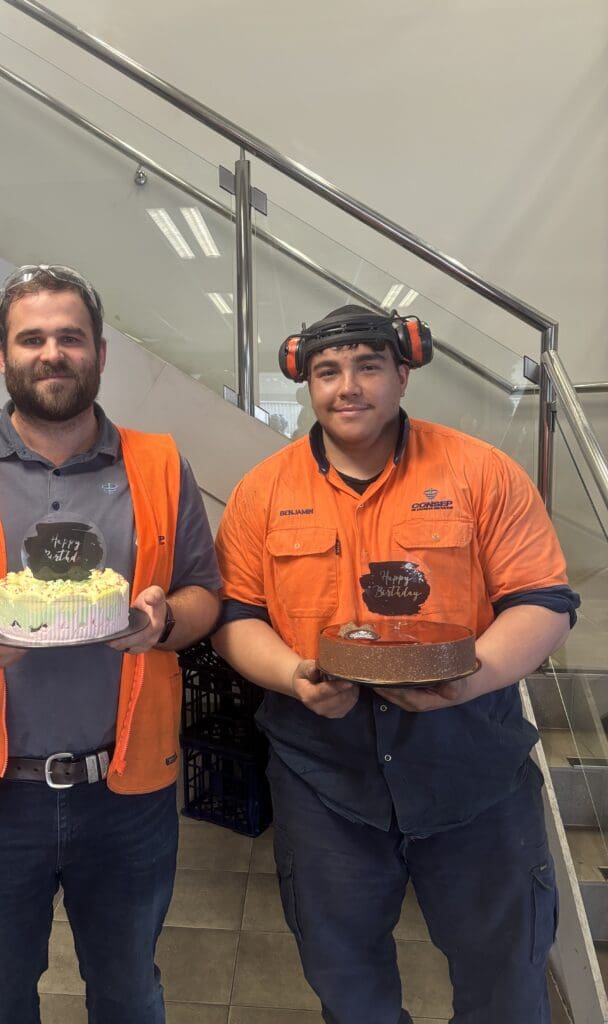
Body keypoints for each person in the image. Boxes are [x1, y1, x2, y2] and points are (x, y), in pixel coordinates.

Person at [0, 264, 221, 1024]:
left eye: (70, 337)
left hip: (124, 795)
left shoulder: (158, 463)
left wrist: (164, 624)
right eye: (32, 338)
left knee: (129, 996)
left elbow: (203, 594)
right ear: (2, 354)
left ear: (98, 354)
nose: (51, 353)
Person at [212, 304, 580, 1024]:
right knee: (346, 979)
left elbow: (544, 602)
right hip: (324, 778)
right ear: (307, 385)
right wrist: (292, 676)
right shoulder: (264, 492)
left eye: (367, 366)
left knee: (505, 976)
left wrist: (469, 678)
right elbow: (236, 616)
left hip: (471, 765)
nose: (347, 387)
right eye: (327, 372)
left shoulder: (481, 473)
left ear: (402, 374)